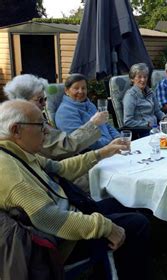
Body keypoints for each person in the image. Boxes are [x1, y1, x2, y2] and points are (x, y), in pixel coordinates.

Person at [0, 100, 150, 279]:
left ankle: (109, 268)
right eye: (41, 125)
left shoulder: (16, 152)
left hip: (70, 213)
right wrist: (105, 227)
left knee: (125, 203)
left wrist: (103, 152)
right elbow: (49, 218)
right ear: (16, 130)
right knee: (138, 223)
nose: (47, 130)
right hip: (62, 241)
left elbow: (60, 169)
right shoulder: (10, 172)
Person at [3, 74, 105, 160]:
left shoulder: (33, 119)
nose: (44, 104)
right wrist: (93, 124)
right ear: (23, 101)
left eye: (45, 99)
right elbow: (64, 147)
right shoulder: (26, 126)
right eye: (40, 100)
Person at [55, 74, 120, 150]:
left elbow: (106, 124)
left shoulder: (89, 104)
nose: (81, 91)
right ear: (66, 91)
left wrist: (118, 137)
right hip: (93, 154)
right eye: (76, 88)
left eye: (83, 88)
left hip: (110, 147)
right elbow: (78, 140)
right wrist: (109, 143)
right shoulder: (65, 112)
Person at [123, 63, 165, 130]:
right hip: (142, 131)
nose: (143, 80)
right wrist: (146, 124)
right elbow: (127, 121)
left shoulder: (150, 92)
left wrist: (165, 118)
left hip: (156, 128)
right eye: (139, 77)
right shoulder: (130, 96)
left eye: (145, 77)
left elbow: (157, 111)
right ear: (132, 79)